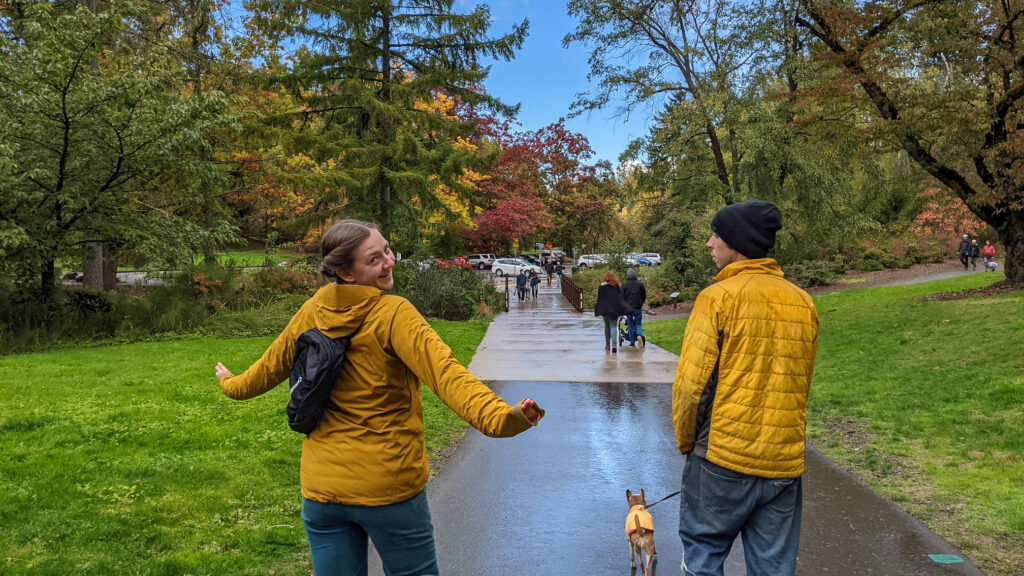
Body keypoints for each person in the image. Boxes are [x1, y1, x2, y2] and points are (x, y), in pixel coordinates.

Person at [214, 219, 545, 576]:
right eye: (374, 259)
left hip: (323, 492)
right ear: (346, 272)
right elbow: (447, 375)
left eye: (386, 250)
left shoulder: (312, 311)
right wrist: (503, 417)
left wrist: (231, 384)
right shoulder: (393, 313)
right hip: (389, 490)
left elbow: (266, 370)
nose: (389, 262)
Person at [672, 200, 819, 576]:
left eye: (716, 235)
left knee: (703, 555)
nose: (709, 243)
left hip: (722, 457)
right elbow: (801, 383)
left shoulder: (717, 299)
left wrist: (689, 443)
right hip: (782, 462)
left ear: (735, 242)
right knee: (773, 567)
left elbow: (692, 388)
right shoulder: (803, 303)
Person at [594, 271, 634, 353]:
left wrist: (598, 308)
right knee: (613, 326)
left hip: (605, 309)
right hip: (614, 309)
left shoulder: (602, 286)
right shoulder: (615, 285)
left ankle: (607, 345)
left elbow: (599, 298)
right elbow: (619, 297)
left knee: (607, 326)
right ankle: (614, 345)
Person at [620, 268, 647, 348]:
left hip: (629, 308)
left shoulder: (624, 285)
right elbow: (644, 295)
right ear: (634, 275)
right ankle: (639, 335)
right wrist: (641, 302)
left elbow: (621, 297)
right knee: (638, 323)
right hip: (638, 306)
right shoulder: (640, 284)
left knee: (630, 324)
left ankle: (632, 342)